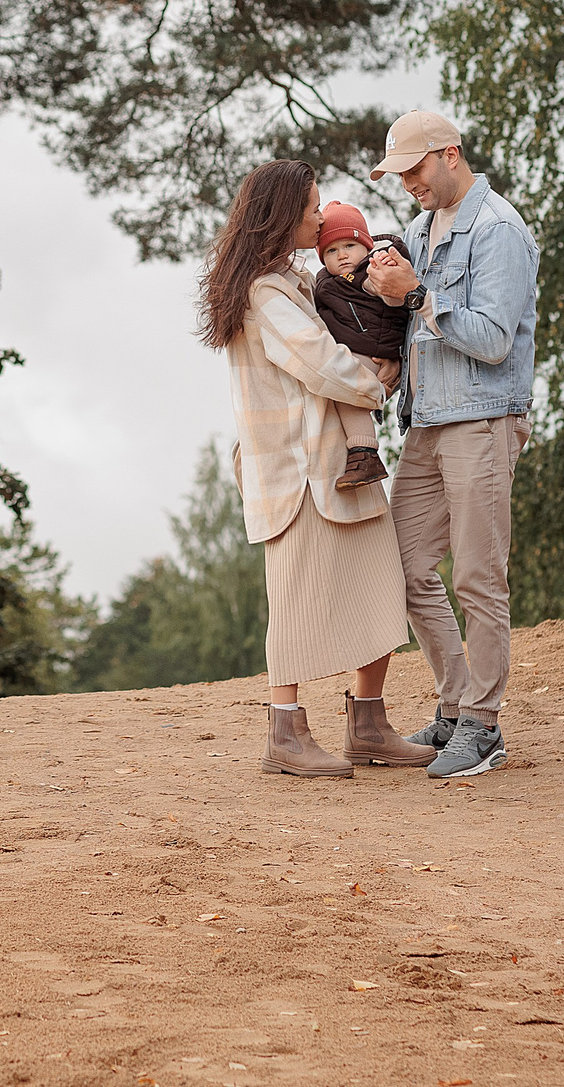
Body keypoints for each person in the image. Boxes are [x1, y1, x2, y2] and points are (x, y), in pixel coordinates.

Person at [200, 159, 429, 776]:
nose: (321, 216)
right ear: (282, 216)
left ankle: (369, 724)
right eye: (311, 207)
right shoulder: (264, 294)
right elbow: (322, 363)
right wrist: (380, 379)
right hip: (296, 469)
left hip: (337, 460)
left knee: (380, 583)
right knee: (296, 596)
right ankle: (285, 734)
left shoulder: (295, 281)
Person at [363, 111, 539, 780]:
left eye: (414, 168)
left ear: (451, 154)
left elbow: (493, 339)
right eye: (398, 172)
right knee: (402, 567)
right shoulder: (418, 229)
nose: (407, 181)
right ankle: (456, 704)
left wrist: (418, 296)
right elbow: (405, 319)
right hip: (429, 421)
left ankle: (483, 725)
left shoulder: (497, 231)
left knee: (478, 575)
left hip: (485, 421)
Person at [311, 200, 404, 490]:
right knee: (339, 382)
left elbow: (389, 294)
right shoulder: (326, 283)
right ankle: (360, 451)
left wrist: (387, 281)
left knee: (341, 382)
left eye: (348, 246)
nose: (341, 256)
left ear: (365, 246)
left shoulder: (367, 273)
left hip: (375, 352)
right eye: (331, 251)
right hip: (358, 348)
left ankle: (364, 453)